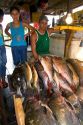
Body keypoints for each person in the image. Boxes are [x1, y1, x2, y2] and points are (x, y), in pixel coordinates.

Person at [0, 9, 8, 88]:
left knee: (4, 62)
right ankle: (1, 81)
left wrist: (4, 44)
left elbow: (2, 36)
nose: (2, 19)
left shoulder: (1, 26)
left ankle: (3, 79)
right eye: (1, 17)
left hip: (2, 46)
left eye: (2, 17)